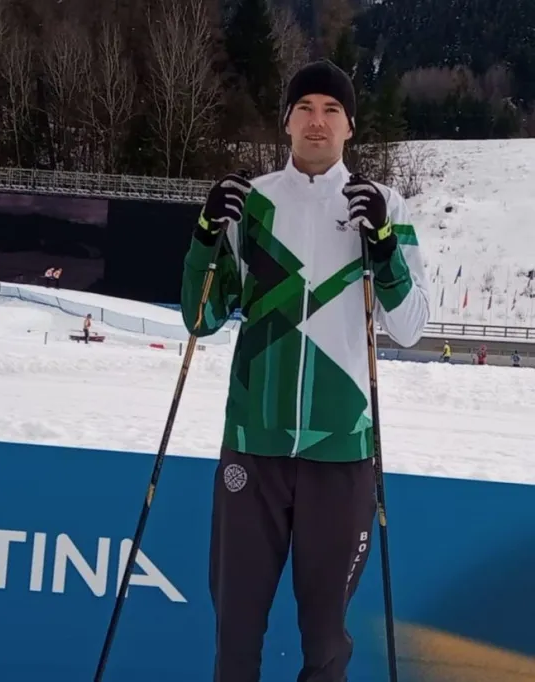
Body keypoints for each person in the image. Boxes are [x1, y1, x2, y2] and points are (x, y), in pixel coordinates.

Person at [180, 59, 430, 681]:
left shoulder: (386, 205)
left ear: (351, 126)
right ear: (285, 120)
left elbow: (412, 326)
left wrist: (386, 248)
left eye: (331, 111)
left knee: (325, 644)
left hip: (341, 451)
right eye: (305, 108)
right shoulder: (251, 203)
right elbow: (201, 318)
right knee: (235, 635)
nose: (317, 122)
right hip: (253, 446)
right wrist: (206, 235)